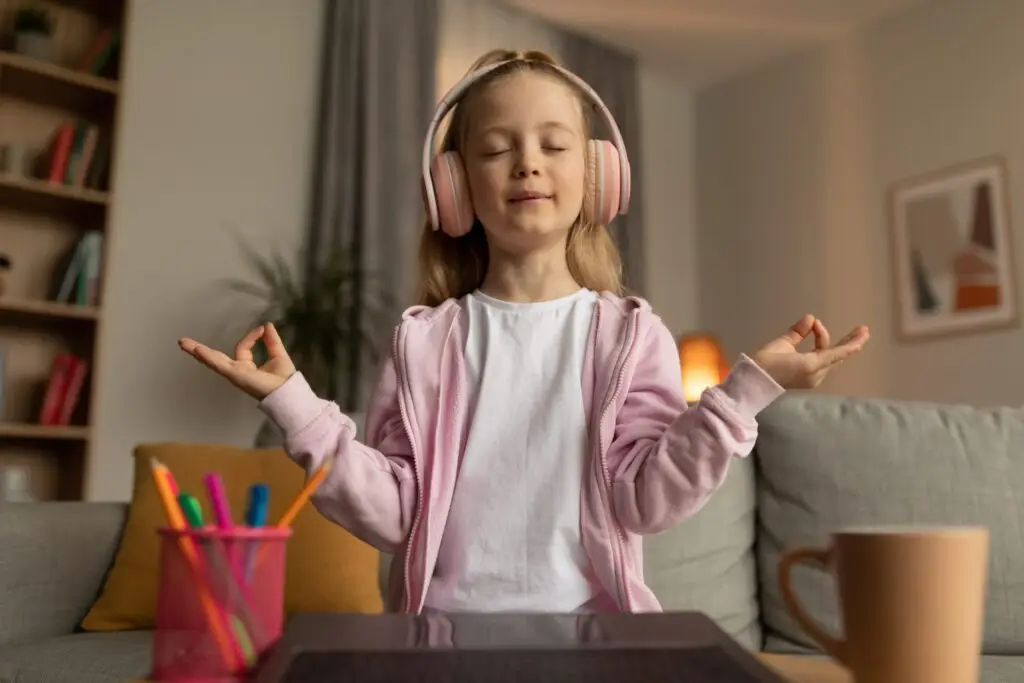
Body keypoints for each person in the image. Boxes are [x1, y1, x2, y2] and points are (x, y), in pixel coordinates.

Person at [178, 49, 870, 615]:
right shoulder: (424, 343)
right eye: (497, 149)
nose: (527, 163)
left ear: (596, 177)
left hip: (593, 646)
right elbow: (395, 514)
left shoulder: (631, 336)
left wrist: (750, 388)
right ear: (454, 187)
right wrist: (295, 405)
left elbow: (648, 498)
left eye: (553, 144)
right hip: (443, 642)